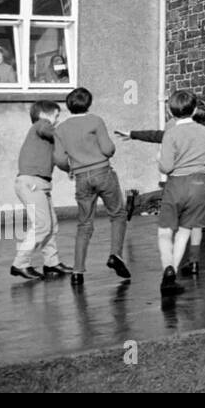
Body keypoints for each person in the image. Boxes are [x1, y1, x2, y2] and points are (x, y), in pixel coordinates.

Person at [119, 98, 205, 275]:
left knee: (197, 219)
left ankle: (193, 261)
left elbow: (158, 136)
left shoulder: (187, 130)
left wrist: (132, 134)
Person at [53, 87, 129, 286]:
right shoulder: (95, 121)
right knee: (118, 214)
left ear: (69, 106)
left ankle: (77, 271)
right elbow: (108, 149)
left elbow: (59, 158)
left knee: (84, 224)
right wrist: (110, 149)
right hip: (102, 172)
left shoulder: (60, 129)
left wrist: (68, 168)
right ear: (89, 102)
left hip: (81, 177)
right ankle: (115, 254)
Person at [153, 90, 205, 296]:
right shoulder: (204, 131)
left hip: (176, 184)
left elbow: (165, 167)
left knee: (165, 232)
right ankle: (172, 273)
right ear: (194, 109)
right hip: (200, 183)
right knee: (185, 230)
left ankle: (168, 268)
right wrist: (202, 164)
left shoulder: (171, 133)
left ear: (170, 111)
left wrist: (159, 159)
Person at [11, 101, 72, 280]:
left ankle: (51, 263)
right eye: (56, 115)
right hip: (31, 182)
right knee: (42, 225)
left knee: (51, 225)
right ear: (45, 115)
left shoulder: (47, 140)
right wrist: (69, 133)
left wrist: (69, 169)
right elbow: (48, 130)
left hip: (40, 183)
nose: (57, 120)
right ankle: (20, 263)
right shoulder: (41, 125)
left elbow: (58, 159)